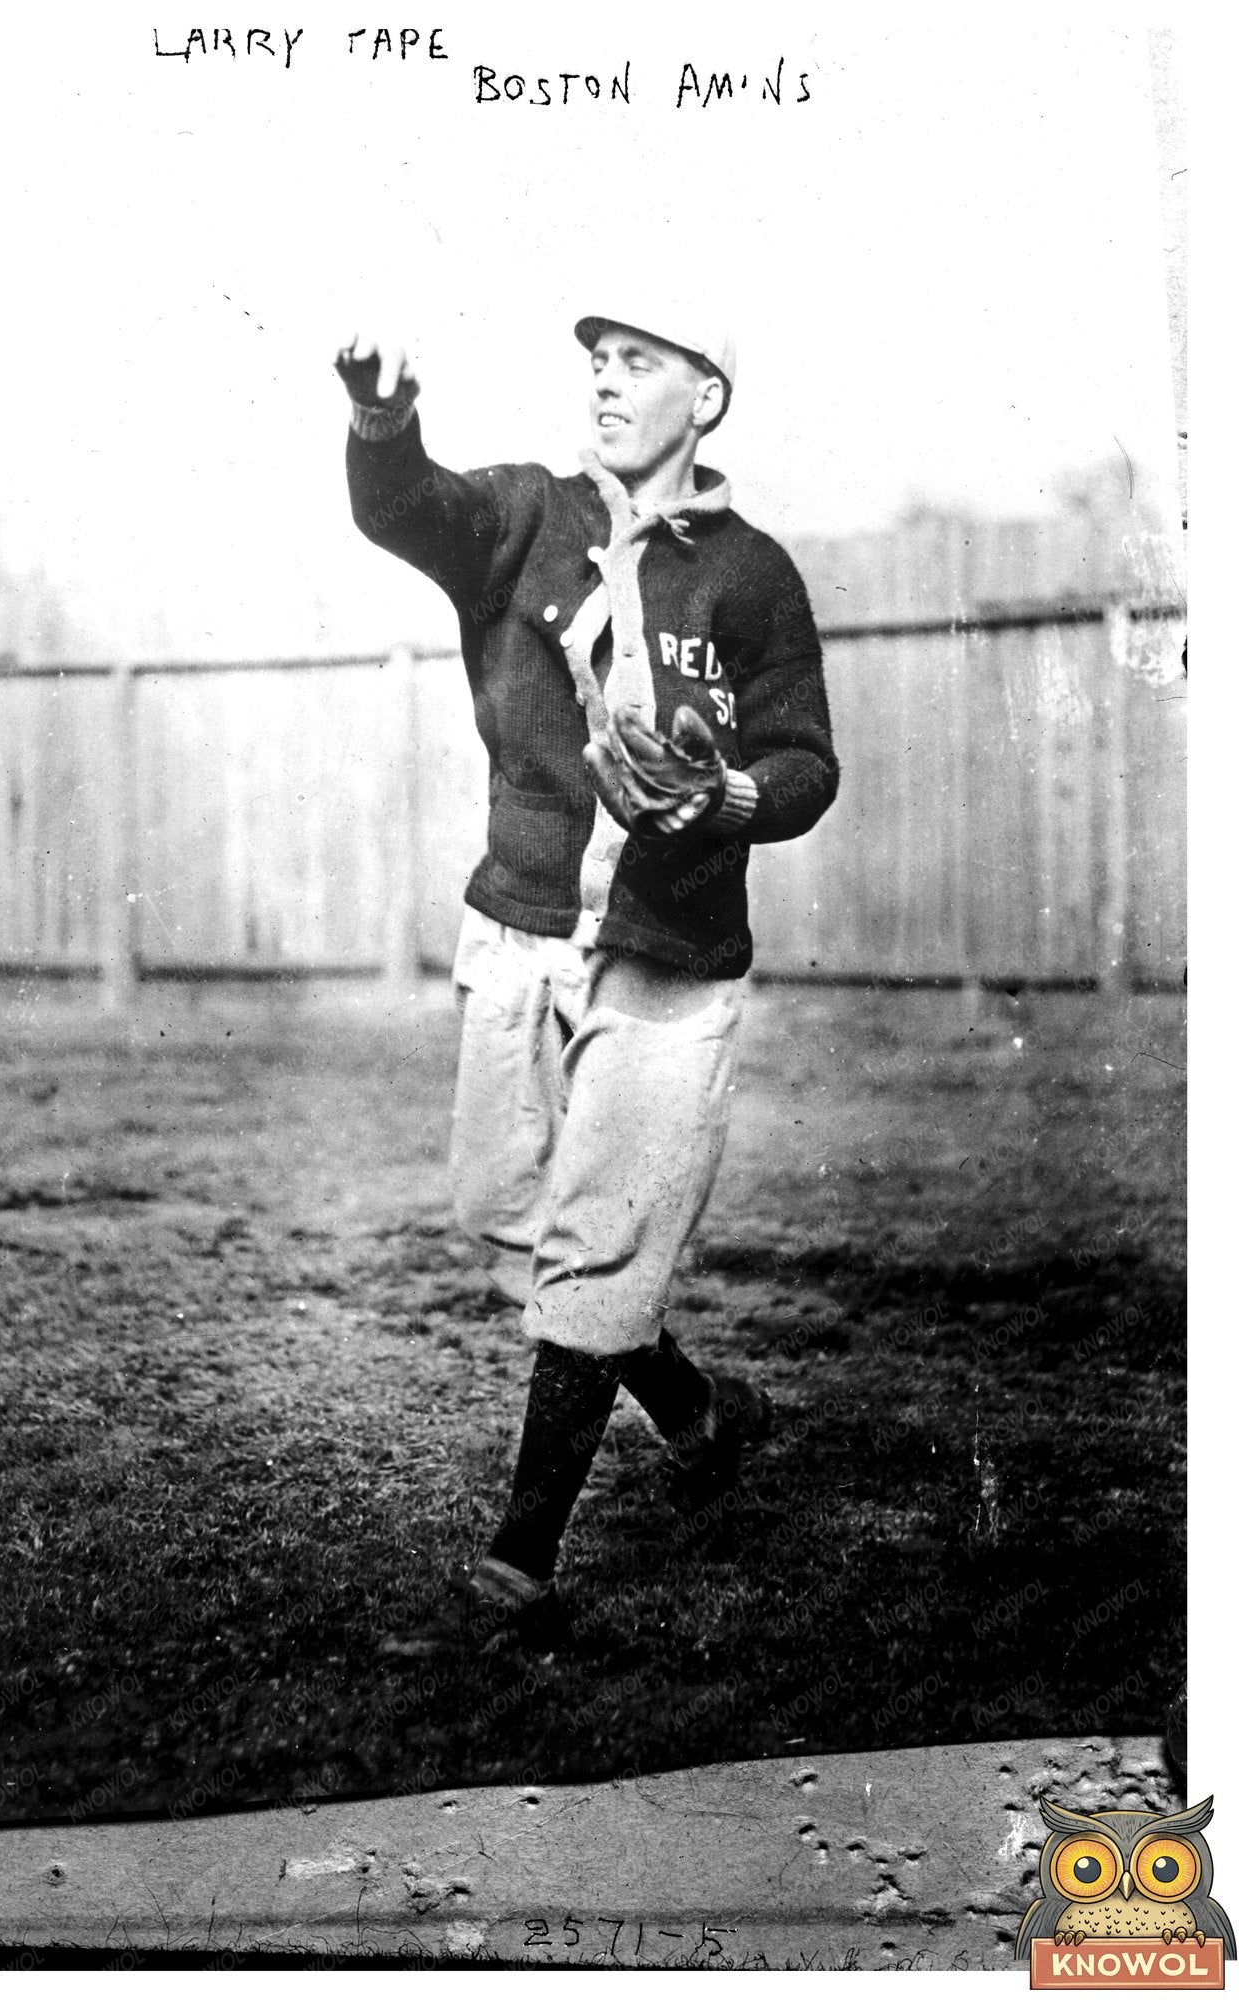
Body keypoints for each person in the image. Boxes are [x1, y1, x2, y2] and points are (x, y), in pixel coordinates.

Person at [336, 309, 839, 1658]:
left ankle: (516, 1570)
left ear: (708, 394)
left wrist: (733, 789)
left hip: (668, 960)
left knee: (596, 1237)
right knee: (515, 1214)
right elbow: (406, 510)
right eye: (595, 360)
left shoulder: (750, 573)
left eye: (640, 361)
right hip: (521, 929)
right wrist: (381, 423)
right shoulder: (519, 519)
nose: (607, 381)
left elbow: (802, 755)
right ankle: (694, 1410)